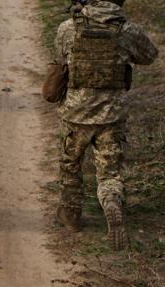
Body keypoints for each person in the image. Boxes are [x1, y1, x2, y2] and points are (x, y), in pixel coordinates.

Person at [52, 0, 157, 249]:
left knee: (70, 165)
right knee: (110, 171)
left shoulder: (68, 28)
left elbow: (60, 57)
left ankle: (70, 214)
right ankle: (110, 200)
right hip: (111, 116)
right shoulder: (128, 31)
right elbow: (150, 55)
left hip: (75, 114)